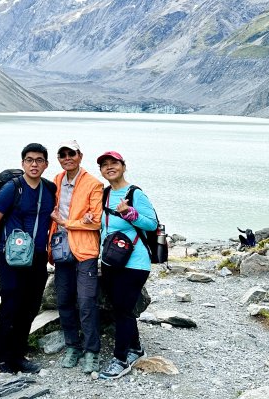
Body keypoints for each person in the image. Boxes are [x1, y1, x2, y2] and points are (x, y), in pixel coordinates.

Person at [0, 143, 57, 374]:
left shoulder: (49, 189)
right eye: (29, 160)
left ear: (46, 164)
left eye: (39, 160)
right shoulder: (12, 188)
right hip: (12, 258)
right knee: (11, 306)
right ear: (22, 163)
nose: (34, 164)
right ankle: (3, 359)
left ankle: (19, 354)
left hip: (37, 257)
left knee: (30, 306)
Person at [96, 150, 158, 379]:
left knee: (122, 309)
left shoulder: (135, 193)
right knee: (120, 308)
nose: (109, 167)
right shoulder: (104, 194)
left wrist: (130, 214)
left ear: (123, 166)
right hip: (111, 260)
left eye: (114, 163)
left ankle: (120, 359)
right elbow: (103, 227)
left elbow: (152, 224)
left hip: (135, 262)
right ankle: (136, 348)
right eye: (104, 165)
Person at [48, 140, 103, 373]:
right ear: (59, 159)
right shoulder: (56, 180)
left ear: (80, 156)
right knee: (63, 300)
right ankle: (73, 345)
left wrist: (67, 223)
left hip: (85, 251)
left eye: (72, 153)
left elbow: (96, 220)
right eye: (63, 154)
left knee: (87, 300)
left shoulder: (94, 184)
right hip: (61, 249)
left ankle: (92, 350)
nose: (67, 157)